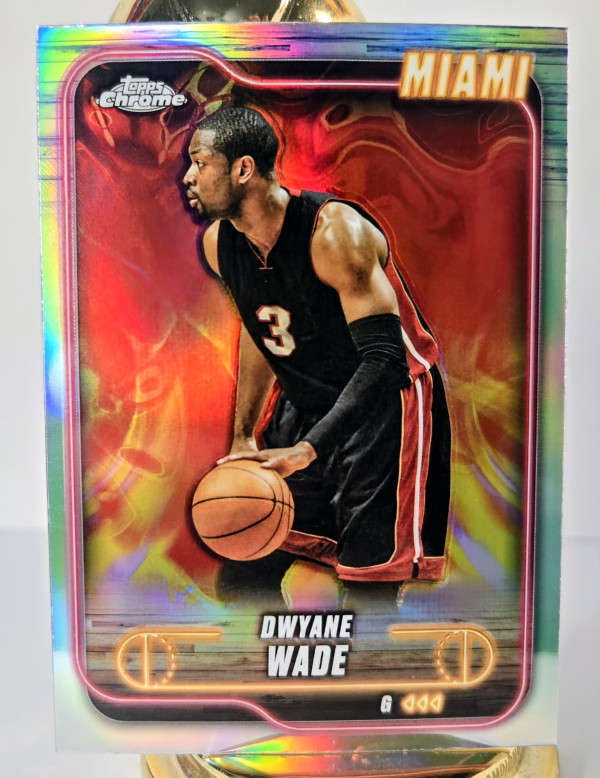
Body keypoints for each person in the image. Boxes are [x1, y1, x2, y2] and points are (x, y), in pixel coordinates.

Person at [183, 106, 450, 607]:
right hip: (306, 403)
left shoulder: (334, 233)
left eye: (201, 162)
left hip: (384, 409)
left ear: (243, 169)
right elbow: (260, 333)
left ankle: (366, 659)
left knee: (368, 586)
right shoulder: (221, 244)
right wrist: (243, 434)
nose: (188, 177)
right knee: (247, 561)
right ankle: (272, 660)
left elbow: (384, 359)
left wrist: (309, 449)